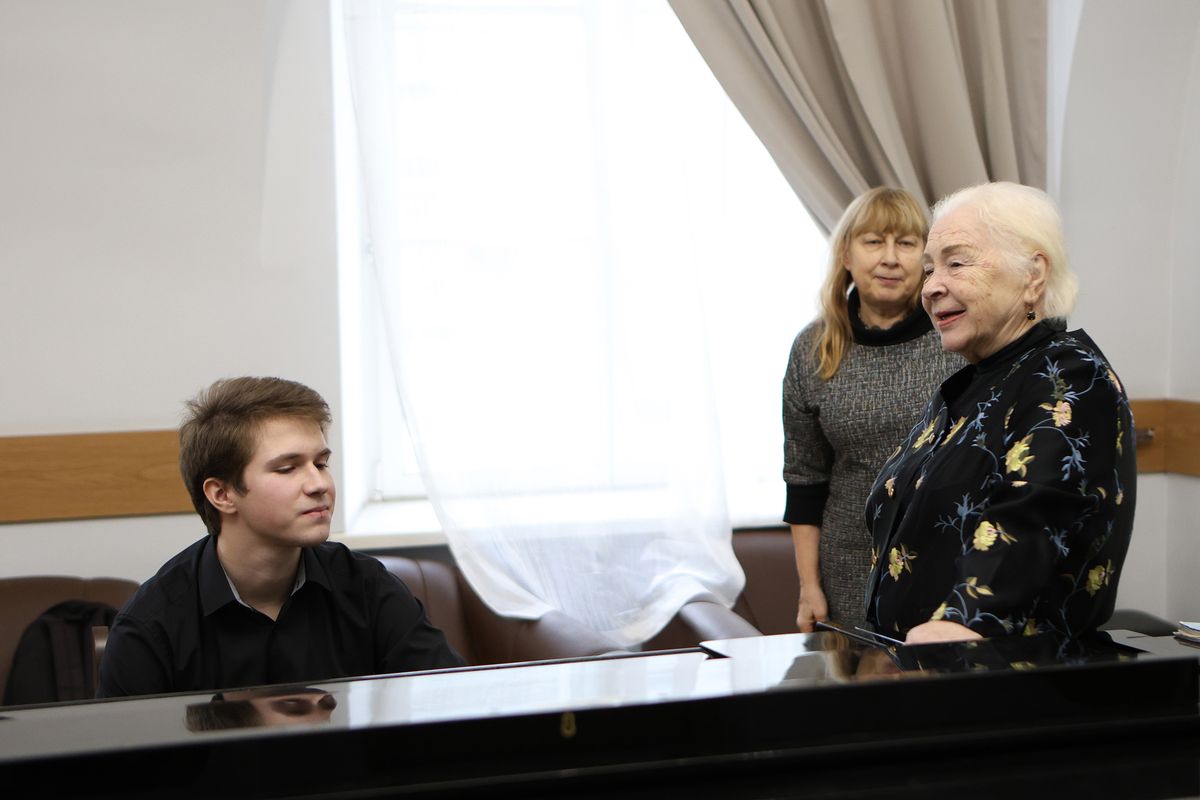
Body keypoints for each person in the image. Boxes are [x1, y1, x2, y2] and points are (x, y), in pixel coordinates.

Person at [864, 182, 1135, 644]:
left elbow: (1034, 517)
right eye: (929, 269)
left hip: (999, 674)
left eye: (956, 263)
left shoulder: (1068, 376)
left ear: (1033, 276)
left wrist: (960, 623)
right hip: (913, 667)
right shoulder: (975, 383)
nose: (931, 287)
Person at [97, 376, 464, 698]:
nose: (319, 484)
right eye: (288, 468)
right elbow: (129, 756)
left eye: (321, 463)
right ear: (222, 494)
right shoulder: (151, 625)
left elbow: (454, 704)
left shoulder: (368, 587)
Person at [783, 187, 960, 633]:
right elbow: (804, 480)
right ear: (846, 253)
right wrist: (808, 586)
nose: (890, 258)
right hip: (848, 570)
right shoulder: (812, 349)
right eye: (874, 241)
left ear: (926, 258)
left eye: (906, 243)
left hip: (948, 562)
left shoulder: (958, 336)